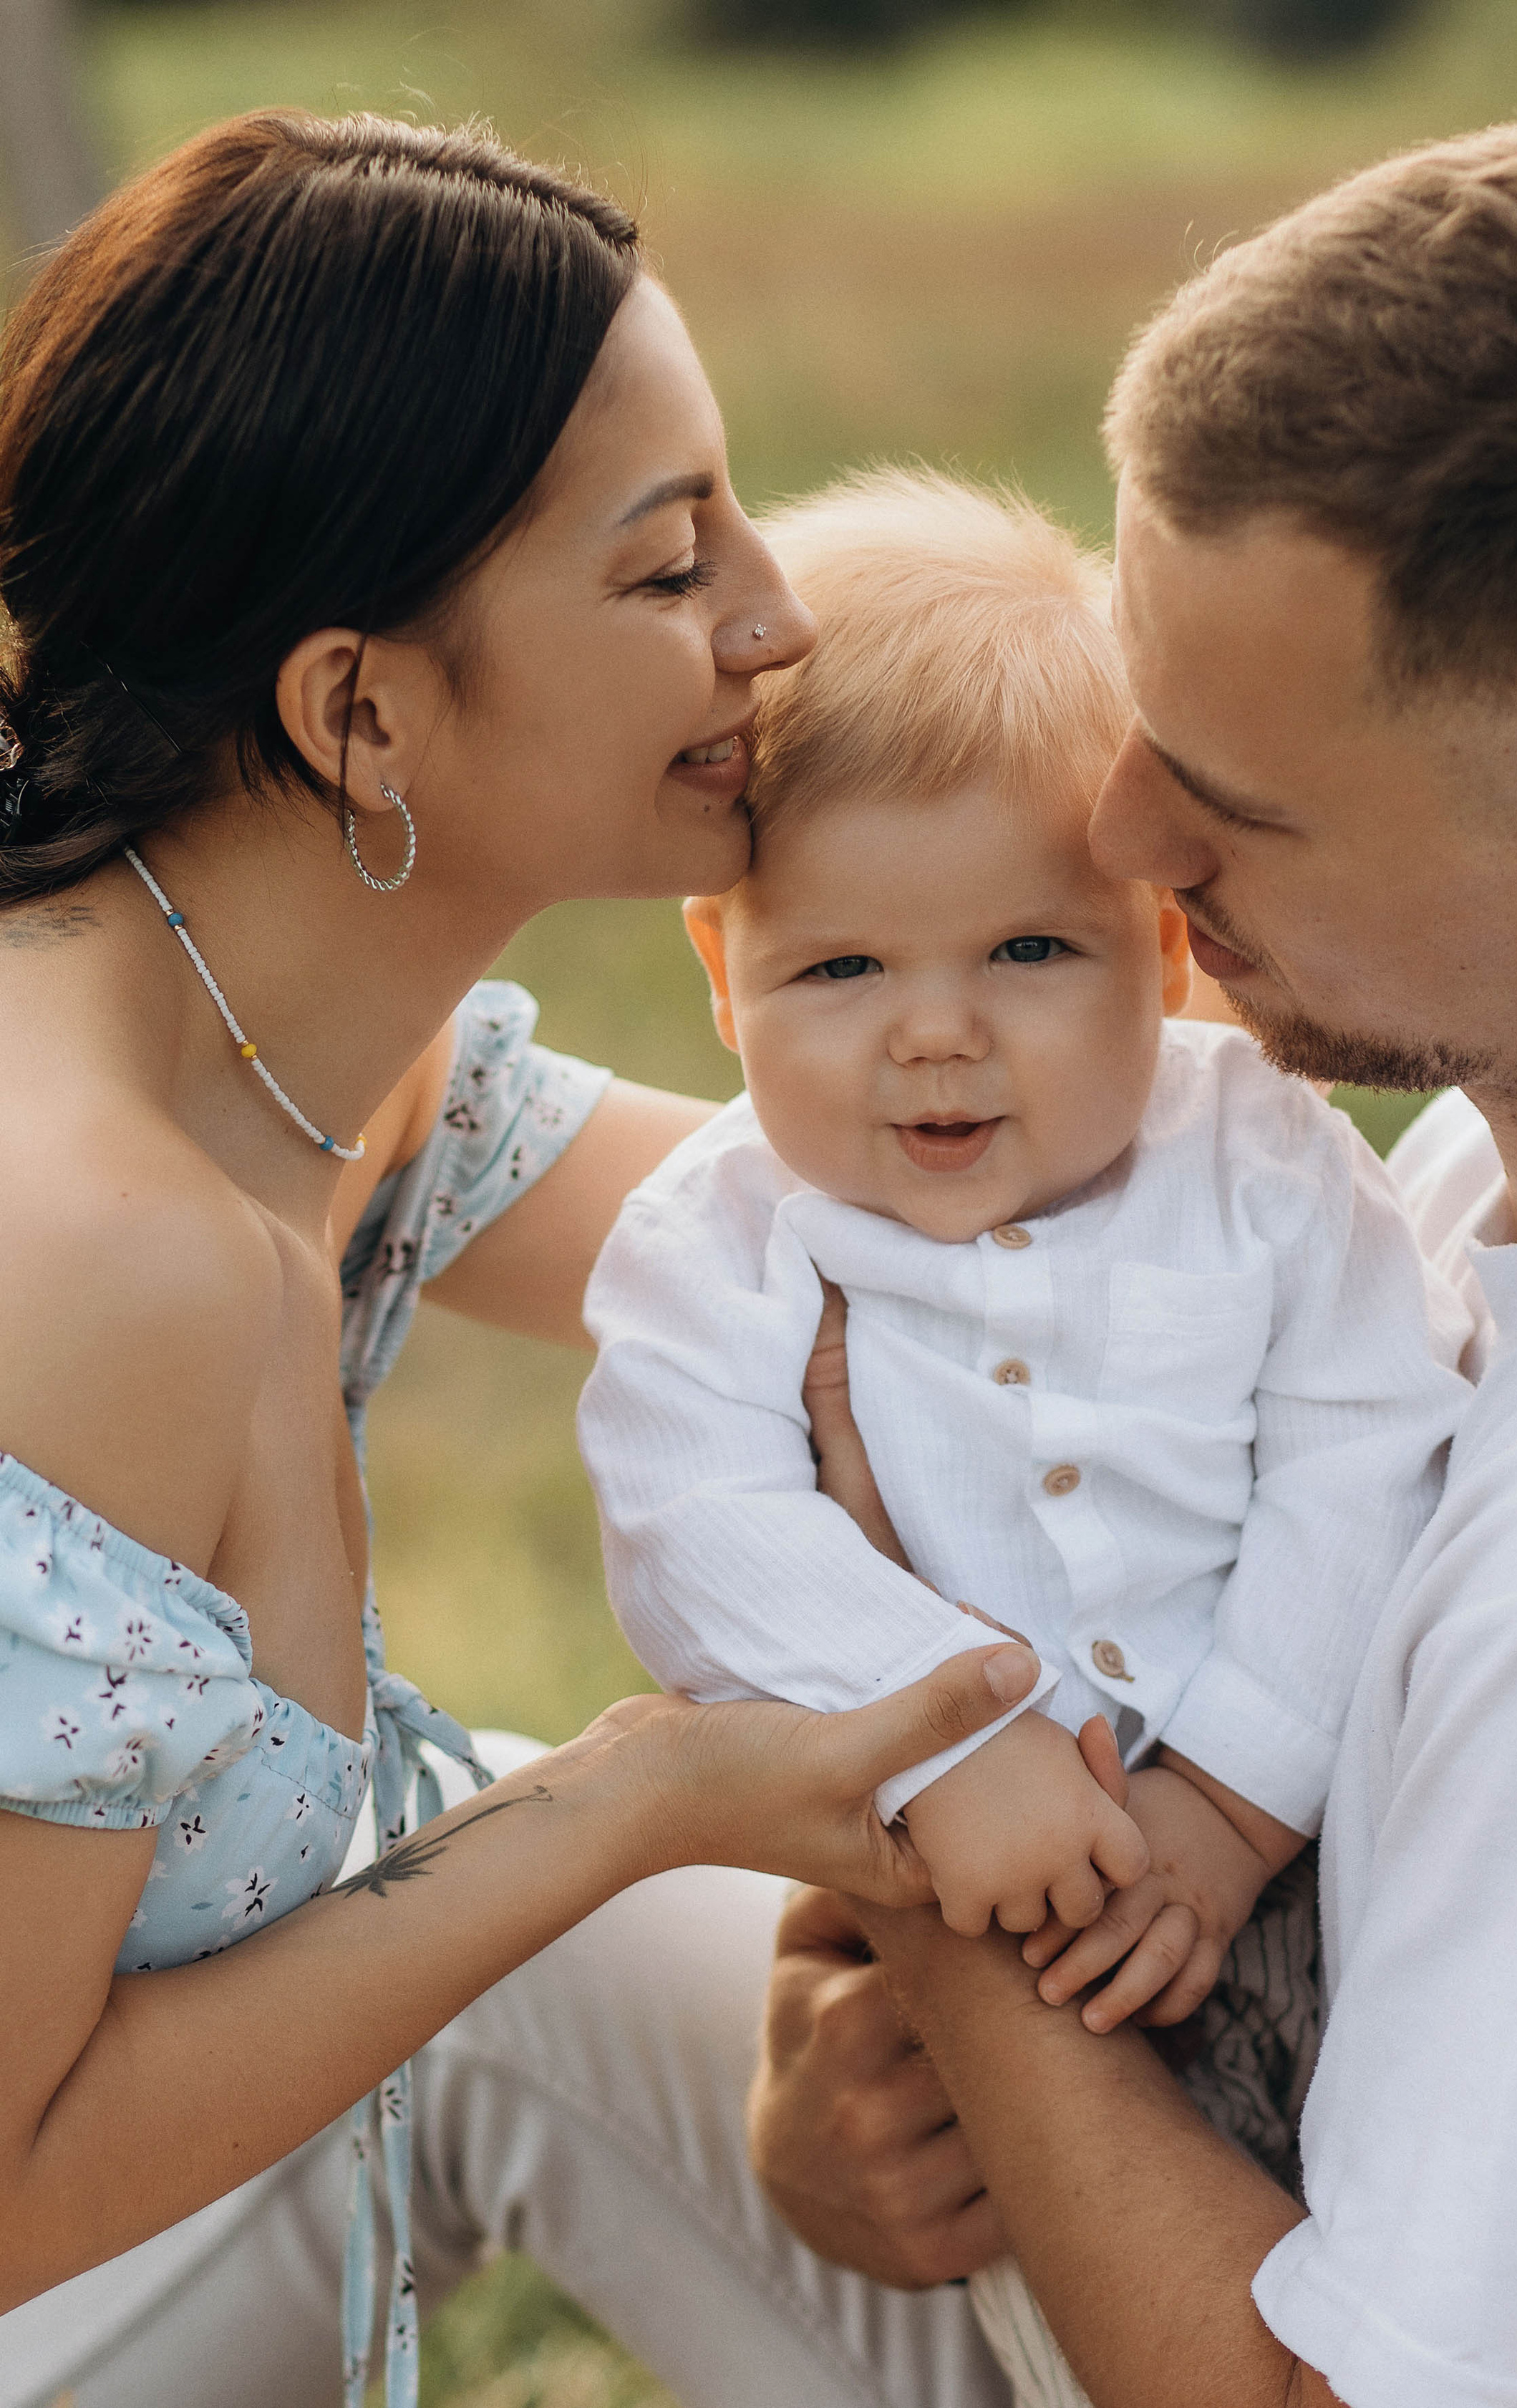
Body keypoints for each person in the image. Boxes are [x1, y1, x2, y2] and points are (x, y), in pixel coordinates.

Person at [742, 113, 1517, 2408]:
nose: (1120, 833)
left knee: (411, 1983)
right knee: (492, 1920)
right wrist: (845, 2035)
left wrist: (930, 1839)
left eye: (1230, 802)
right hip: (1224, 2087)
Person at [0, 108, 1043, 2408]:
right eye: (674, 566)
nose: (777, 617)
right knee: (577, 1899)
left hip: (261, 2136)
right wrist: (631, 1797)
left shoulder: (304, 1047)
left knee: (920, 2098)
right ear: (359, 710)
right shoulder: (88, 1246)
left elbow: (915, 1242)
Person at [576, 468, 1468, 2398]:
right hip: (996, 1929)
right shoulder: (714, 1244)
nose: (936, 1032)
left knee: (1373, 2257)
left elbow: (1367, 1437)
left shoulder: (1262, 1161)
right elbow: (697, 1527)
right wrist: (944, 1723)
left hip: (1317, 1874)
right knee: (1054, 2299)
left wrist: (1229, 1798)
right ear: (722, 976)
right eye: (841, 967)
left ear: (1168, 950)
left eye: (1028, 952)